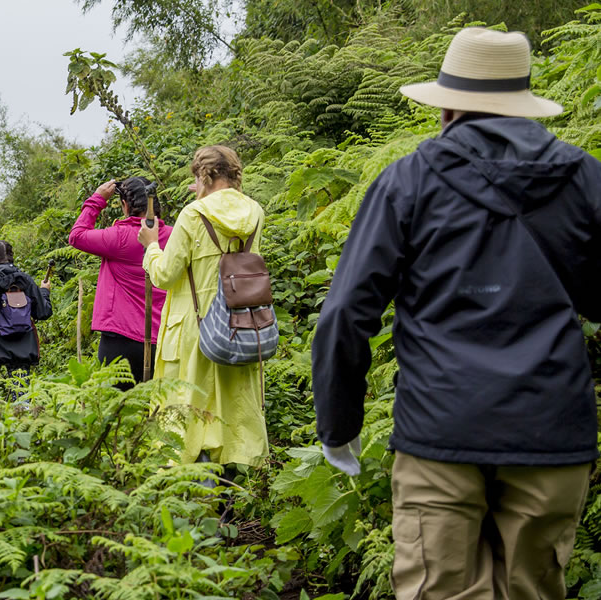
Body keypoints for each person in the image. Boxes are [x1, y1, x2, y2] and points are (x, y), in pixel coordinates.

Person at [311, 27, 601, 600]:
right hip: (552, 434)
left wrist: (338, 428)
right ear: (522, 103)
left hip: (440, 433)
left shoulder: (408, 180)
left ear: (446, 103)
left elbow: (345, 311)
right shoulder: (585, 177)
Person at [138, 146, 269, 468]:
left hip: (193, 326)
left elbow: (166, 275)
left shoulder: (193, 214)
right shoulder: (255, 211)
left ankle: (193, 480)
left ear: (202, 175)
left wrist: (152, 245)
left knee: (189, 403)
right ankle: (237, 477)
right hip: (239, 320)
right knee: (234, 402)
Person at [68, 177, 172, 388]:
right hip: (163, 338)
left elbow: (76, 236)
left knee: (116, 412)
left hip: (120, 339)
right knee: (156, 410)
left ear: (125, 205)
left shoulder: (120, 236)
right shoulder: (174, 236)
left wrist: (97, 199)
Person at [0, 240, 53, 381]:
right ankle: (21, 403)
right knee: (20, 393)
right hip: (23, 346)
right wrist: (44, 291)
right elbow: (43, 312)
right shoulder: (26, 280)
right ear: (11, 256)